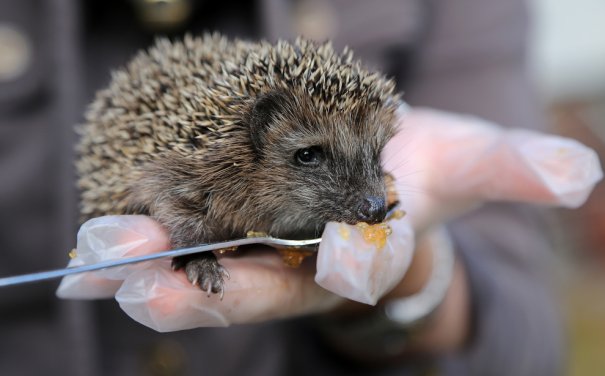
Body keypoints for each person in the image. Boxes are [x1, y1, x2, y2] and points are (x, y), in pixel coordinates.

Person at [0, 0, 595, 375]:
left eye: (375, 160)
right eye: (311, 156)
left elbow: (531, 346)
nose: (370, 197)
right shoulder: (209, 168)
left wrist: (418, 279)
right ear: (257, 140)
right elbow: (163, 191)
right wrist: (196, 245)